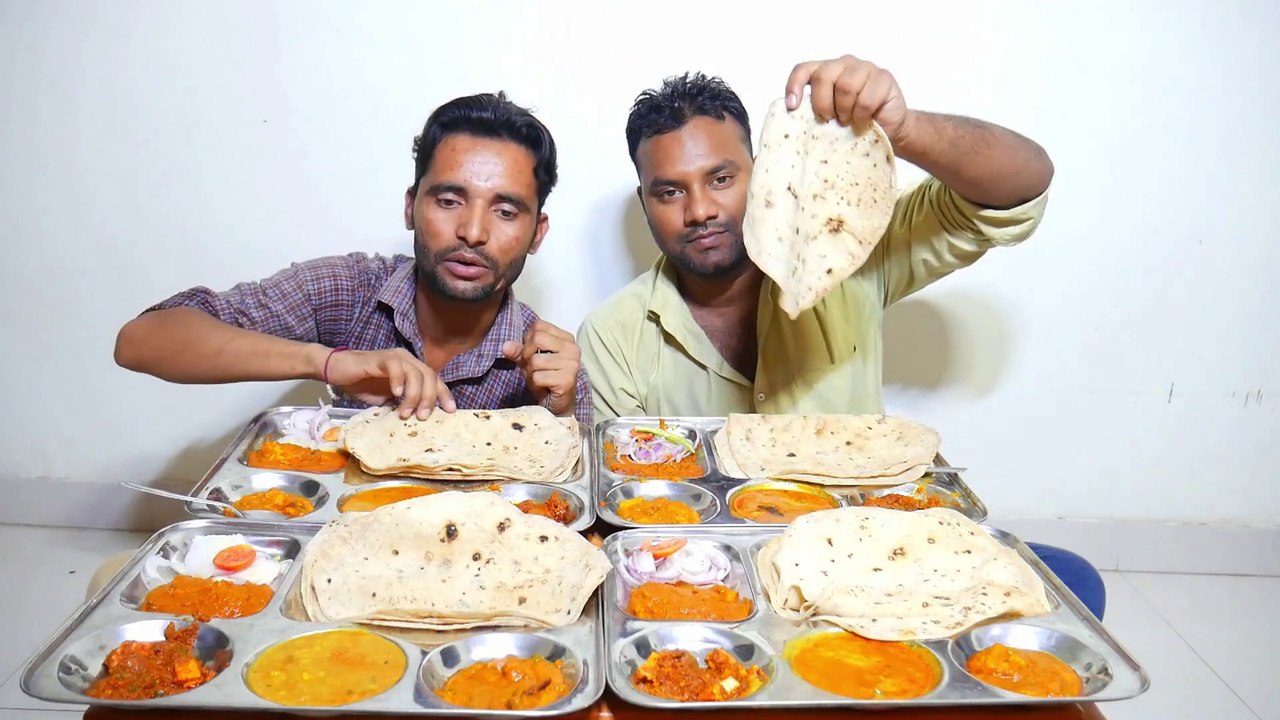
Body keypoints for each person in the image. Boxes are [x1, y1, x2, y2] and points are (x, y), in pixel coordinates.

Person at [577, 56, 1107, 619]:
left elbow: (1017, 192)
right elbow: (634, 513)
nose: (701, 210)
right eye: (669, 192)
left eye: (722, 178)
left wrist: (904, 130)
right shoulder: (612, 335)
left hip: (875, 568)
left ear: (763, 174)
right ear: (645, 204)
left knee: (1075, 584)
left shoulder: (852, 256)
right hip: (715, 587)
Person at [90, 91, 592, 599]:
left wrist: (560, 408)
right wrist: (329, 363)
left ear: (536, 233)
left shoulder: (548, 363)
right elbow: (141, 341)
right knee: (110, 580)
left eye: (506, 211)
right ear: (410, 206)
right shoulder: (348, 291)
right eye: (448, 200)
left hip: (472, 588)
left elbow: (574, 537)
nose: (472, 231)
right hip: (320, 566)